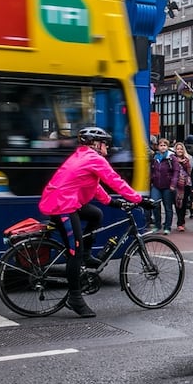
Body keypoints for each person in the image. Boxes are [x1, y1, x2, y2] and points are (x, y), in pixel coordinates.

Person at [38, 127, 145, 318]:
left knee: (96, 215)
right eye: (105, 144)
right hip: (63, 206)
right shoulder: (93, 158)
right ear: (96, 144)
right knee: (74, 252)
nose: (107, 147)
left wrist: (112, 202)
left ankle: (87, 255)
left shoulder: (83, 156)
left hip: (65, 201)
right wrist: (139, 199)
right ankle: (75, 298)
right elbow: (114, 180)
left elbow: (93, 186)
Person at [149, 138, 179, 234]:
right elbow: (151, 170)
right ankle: (157, 225)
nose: (163, 147)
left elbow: (176, 171)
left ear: (167, 147)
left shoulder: (172, 158)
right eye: (161, 145)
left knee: (168, 207)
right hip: (156, 185)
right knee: (155, 204)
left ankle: (167, 227)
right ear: (158, 147)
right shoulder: (155, 157)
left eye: (165, 145)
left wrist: (173, 184)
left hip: (168, 186)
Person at [172, 142, 193, 232]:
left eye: (181, 149)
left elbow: (191, 171)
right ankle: (179, 222)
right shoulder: (172, 159)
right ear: (175, 150)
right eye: (178, 149)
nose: (179, 150)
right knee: (177, 203)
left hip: (186, 184)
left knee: (183, 203)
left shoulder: (188, 159)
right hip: (176, 184)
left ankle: (181, 222)